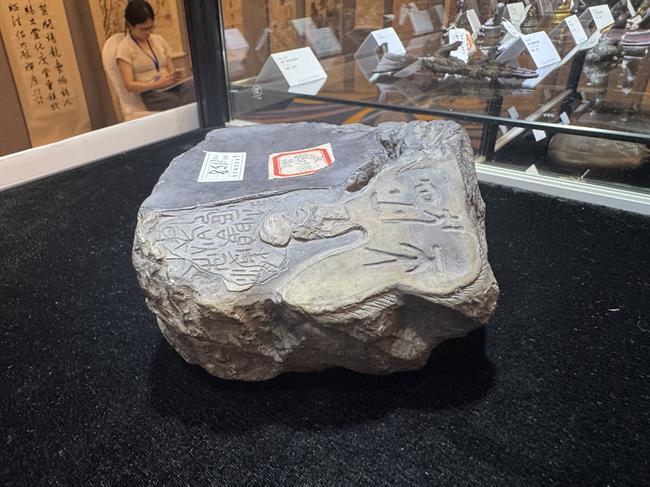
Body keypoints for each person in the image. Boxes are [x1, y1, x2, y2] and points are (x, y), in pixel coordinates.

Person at [116, 0, 195, 111]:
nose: (147, 32)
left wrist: (173, 77)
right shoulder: (125, 48)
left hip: (170, 87)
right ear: (130, 25)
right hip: (151, 92)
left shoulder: (158, 40)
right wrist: (155, 85)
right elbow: (129, 85)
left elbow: (171, 70)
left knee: (197, 86)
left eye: (150, 28)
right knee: (176, 101)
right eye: (143, 29)